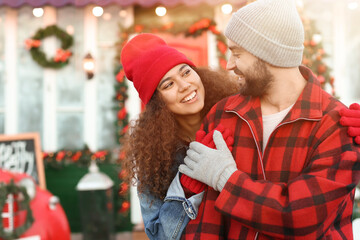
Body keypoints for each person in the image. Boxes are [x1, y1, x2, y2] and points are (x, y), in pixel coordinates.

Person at [179, 0, 360, 239]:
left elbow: (300, 219)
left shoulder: (336, 124)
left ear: (269, 54)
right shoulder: (224, 114)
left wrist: (227, 179)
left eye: (237, 53)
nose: (229, 64)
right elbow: (206, 221)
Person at [120, 33, 239, 240]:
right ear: (158, 104)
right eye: (168, 85)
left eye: (185, 72)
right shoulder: (155, 159)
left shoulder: (235, 120)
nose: (185, 85)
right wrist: (185, 188)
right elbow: (159, 235)